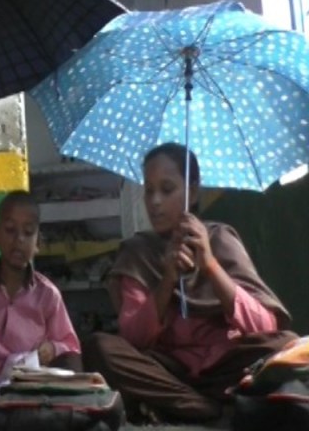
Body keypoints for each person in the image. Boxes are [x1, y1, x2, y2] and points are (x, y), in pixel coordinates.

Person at [82, 142, 295, 424]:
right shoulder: (137, 252)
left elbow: (265, 326)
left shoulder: (220, 239)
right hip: (165, 370)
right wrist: (168, 279)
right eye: (149, 190)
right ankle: (202, 407)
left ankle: (176, 405)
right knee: (99, 347)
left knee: (285, 344)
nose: (155, 201)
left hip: (225, 366)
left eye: (167, 189)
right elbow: (133, 337)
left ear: (192, 192)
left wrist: (210, 265)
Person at [0, 190, 82, 375]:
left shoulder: (47, 294)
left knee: (72, 363)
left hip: (29, 379)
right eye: (10, 230)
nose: (19, 239)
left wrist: (52, 348)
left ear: (38, 242)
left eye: (28, 232)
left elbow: (69, 345)